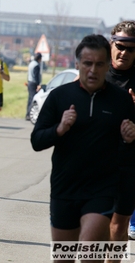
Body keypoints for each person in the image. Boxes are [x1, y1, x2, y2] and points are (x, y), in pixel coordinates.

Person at [31, 34, 135, 263]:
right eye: (87, 63)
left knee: (92, 253)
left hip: (102, 189)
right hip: (64, 189)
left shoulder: (121, 101)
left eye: (99, 64)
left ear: (107, 65)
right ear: (77, 64)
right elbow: (36, 140)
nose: (93, 70)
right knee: (63, 259)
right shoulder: (60, 97)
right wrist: (59, 129)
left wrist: (130, 138)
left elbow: (129, 151)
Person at [105, 20, 135, 263]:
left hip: (128, 163)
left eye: (130, 48)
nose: (124, 52)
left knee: (117, 227)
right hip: (94, 161)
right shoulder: (96, 73)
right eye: (120, 46)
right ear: (110, 45)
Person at [25, 52, 42, 121]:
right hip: (34, 83)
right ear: (39, 59)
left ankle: (27, 114)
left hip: (29, 82)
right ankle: (30, 114)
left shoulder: (31, 64)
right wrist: (38, 84)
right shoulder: (36, 65)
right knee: (33, 99)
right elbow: (36, 76)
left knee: (29, 99)